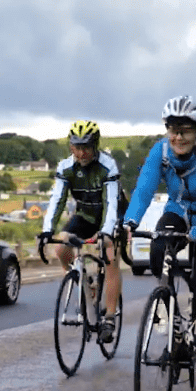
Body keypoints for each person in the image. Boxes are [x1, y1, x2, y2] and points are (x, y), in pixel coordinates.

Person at [122, 96, 196, 391]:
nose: (177, 137)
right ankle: (169, 312)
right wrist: (130, 221)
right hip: (180, 211)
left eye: (185, 130)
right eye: (172, 129)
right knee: (159, 247)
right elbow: (144, 188)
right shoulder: (160, 151)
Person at [38, 120, 124, 344]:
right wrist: (47, 230)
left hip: (110, 215)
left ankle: (109, 317)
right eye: (76, 147)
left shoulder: (108, 166)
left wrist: (106, 233)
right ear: (70, 146)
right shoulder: (66, 167)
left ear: (95, 146)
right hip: (85, 215)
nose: (82, 152)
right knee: (61, 247)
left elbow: (111, 204)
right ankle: (85, 283)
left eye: (86, 147)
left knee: (110, 254)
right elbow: (57, 199)